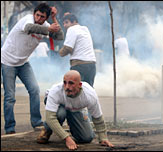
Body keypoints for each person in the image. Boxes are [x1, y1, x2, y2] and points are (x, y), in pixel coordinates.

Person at [1, 3, 64, 134]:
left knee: (34, 90)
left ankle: (36, 122)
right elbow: (29, 27)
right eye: (37, 15)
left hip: (23, 62)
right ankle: (10, 128)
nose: (39, 18)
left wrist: (54, 19)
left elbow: (59, 37)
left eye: (42, 17)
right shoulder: (28, 20)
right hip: (7, 61)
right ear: (34, 13)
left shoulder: (46, 25)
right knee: (10, 97)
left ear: (46, 18)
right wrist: (49, 29)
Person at [36, 70, 114, 150]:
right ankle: (47, 129)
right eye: (65, 82)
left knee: (86, 138)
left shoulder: (89, 94)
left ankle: (71, 119)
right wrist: (67, 138)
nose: (66, 87)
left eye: (71, 83)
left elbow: (97, 117)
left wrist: (103, 138)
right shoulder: (55, 91)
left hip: (75, 109)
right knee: (60, 113)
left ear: (80, 85)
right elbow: (50, 118)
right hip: (60, 106)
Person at [58, 13, 96, 87]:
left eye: (66, 22)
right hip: (91, 64)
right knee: (89, 90)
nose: (64, 25)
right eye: (63, 23)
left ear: (74, 22)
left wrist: (60, 53)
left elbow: (68, 48)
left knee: (75, 90)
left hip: (79, 65)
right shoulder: (85, 29)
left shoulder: (71, 29)